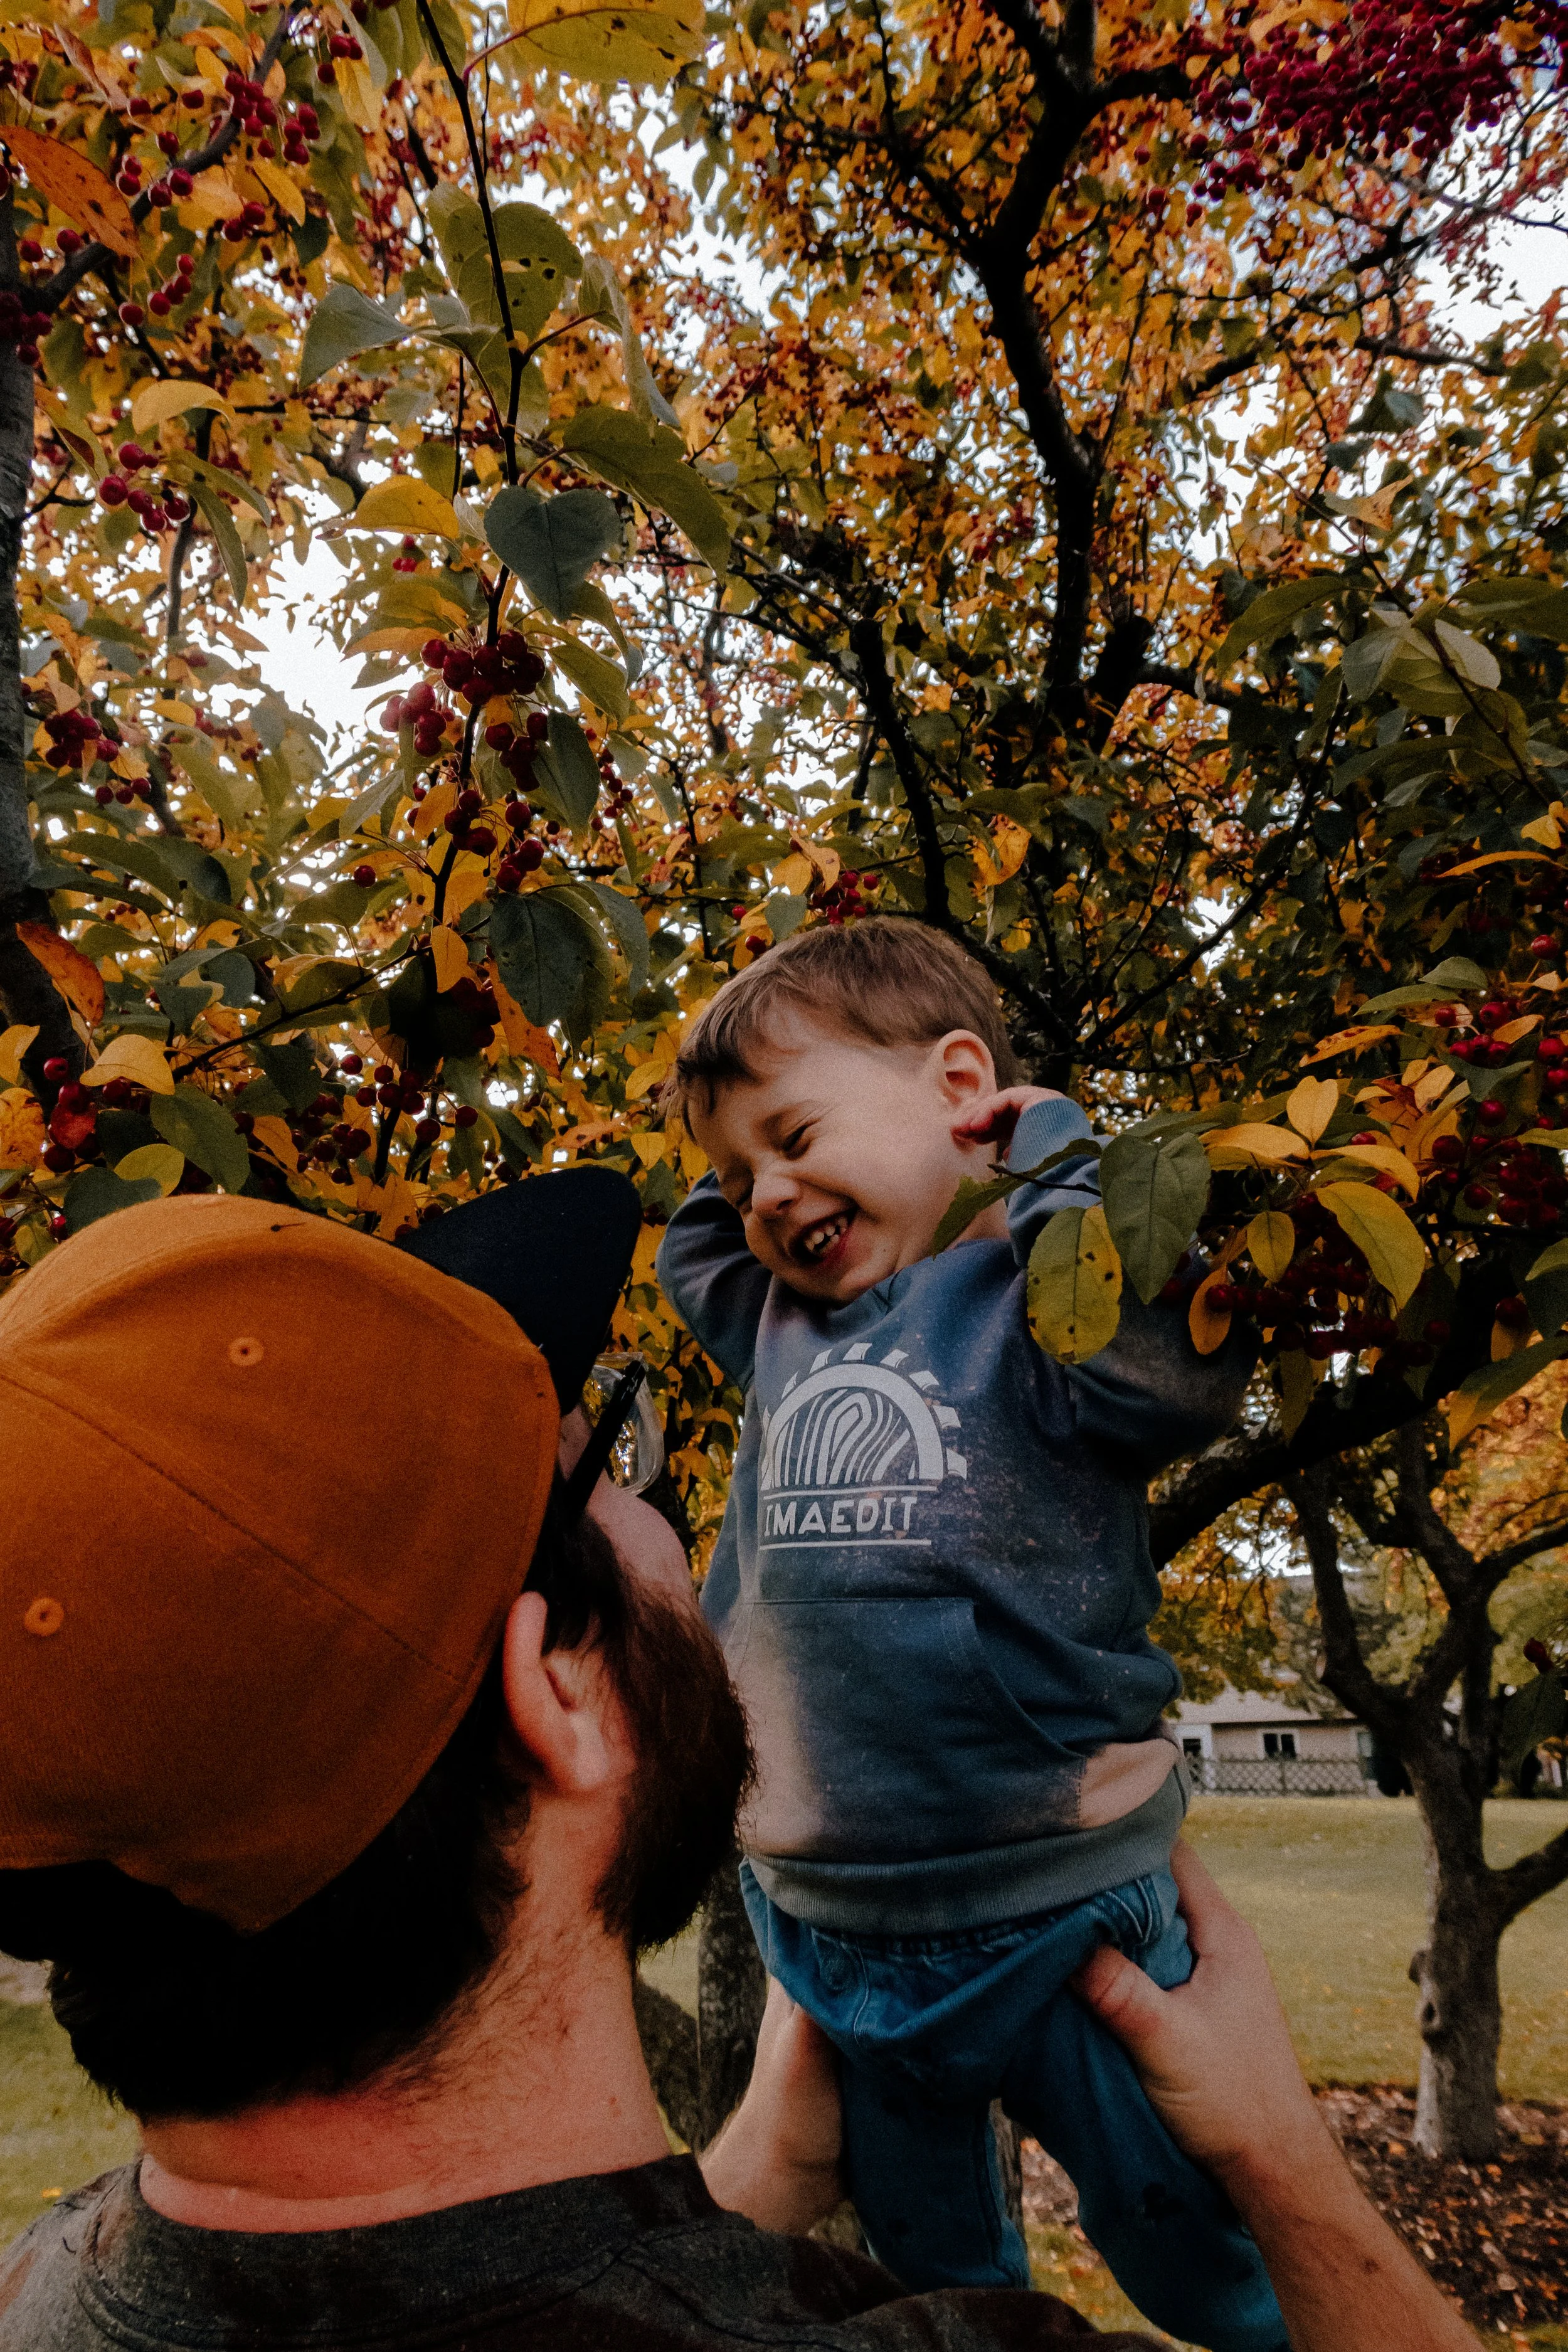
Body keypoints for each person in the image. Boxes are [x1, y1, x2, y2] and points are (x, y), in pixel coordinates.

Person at [0, 1173, 1475, 2352]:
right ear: (558, 1691)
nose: (681, 1525)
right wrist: (1287, 2173)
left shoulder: (44, 2286)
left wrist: (738, 2187)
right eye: (616, 1465)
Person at [656, 918, 1285, 2348]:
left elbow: (1167, 1382)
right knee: (931, 2272)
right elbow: (691, 1236)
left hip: (1056, 1891)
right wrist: (753, 1129)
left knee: (1191, 2241)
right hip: (833, 1924)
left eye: (795, 1132)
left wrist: (1055, 1160)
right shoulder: (776, 1323)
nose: (764, 1194)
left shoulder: (1042, 1307)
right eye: (737, 1168)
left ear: (963, 1087)